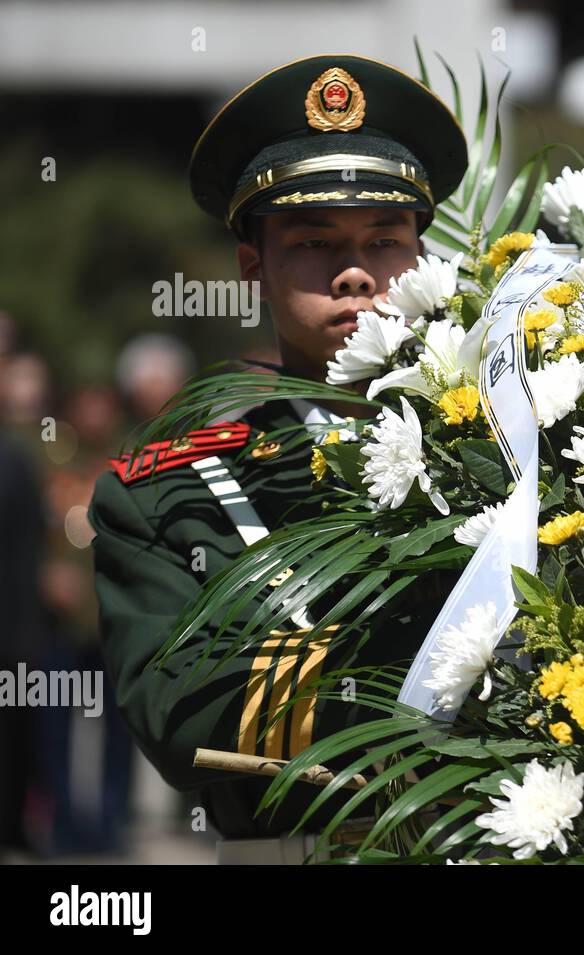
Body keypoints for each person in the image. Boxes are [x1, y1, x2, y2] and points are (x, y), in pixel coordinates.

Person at [87, 54, 468, 863]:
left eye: (385, 239)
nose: (356, 270)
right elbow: (183, 715)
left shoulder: (517, 442)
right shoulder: (173, 489)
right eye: (315, 241)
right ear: (252, 265)